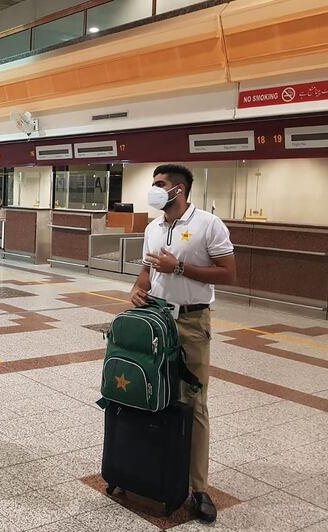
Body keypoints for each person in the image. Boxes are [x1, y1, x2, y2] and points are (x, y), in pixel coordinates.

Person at [130, 164, 236, 523]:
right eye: (154, 183)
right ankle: (156, 469)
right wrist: (138, 287)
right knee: (155, 393)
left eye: (160, 184)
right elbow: (147, 269)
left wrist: (179, 269)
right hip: (158, 320)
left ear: (179, 190)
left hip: (192, 321)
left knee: (194, 402)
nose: (154, 189)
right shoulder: (152, 227)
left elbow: (228, 273)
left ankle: (198, 488)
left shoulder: (207, 224)